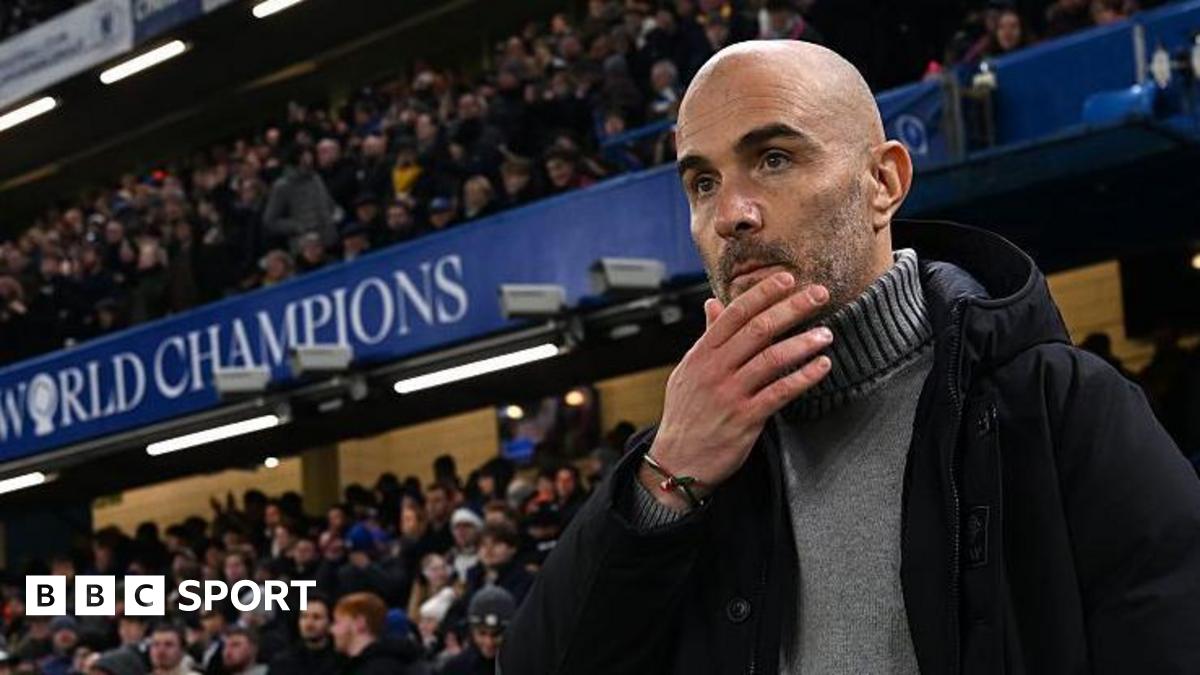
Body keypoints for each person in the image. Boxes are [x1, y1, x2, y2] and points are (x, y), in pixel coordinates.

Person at [502, 40, 1200, 674]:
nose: (730, 215)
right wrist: (664, 478)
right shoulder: (687, 463)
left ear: (884, 182)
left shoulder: (1058, 406)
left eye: (774, 158)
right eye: (702, 183)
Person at [330, 592, 429, 675]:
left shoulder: (381, 669)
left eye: (338, 623)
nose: (332, 630)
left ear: (359, 623)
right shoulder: (355, 666)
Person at [440, 586, 515, 675]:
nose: (489, 642)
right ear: (472, 631)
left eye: (496, 634)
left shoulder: (524, 667)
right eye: (482, 633)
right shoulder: (455, 669)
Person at [267, 593, 341, 675]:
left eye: (316, 617)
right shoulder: (283, 662)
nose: (309, 624)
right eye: (304, 617)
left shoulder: (341, 662)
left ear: (330, 622)